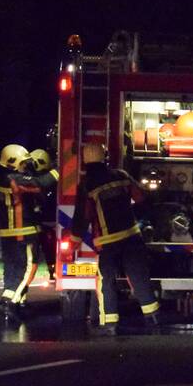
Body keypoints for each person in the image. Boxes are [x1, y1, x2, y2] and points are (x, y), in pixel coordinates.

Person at [69, 143, 159, 335]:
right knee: (139, 277)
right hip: (132, 236)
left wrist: (75, 240)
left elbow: (83, 216)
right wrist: (139, 216)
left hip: (108, 242)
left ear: (85, 160)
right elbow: (141, 197)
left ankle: (110, 324)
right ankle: (153, 317)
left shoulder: (87, 185)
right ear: (104, 157)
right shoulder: (121, 176)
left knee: (106, 281)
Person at [0, 144, 59, 321]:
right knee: (26, 269)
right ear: (12, 163)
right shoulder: (14, 179)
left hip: (9, 234)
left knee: (12, 271)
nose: (26, 166)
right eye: (23, 163)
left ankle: (16, 303)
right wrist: (61, 169)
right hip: (22, 233)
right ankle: (9, 303)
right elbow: (40, 184)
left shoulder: (4, 179)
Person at [29, 149, 56, 280]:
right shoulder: (43, 180)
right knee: (48, 248)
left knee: (45, 248)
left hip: (38, 223)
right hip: (43, 222)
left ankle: (52, 269)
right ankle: (53, 270)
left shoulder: (30, 178)